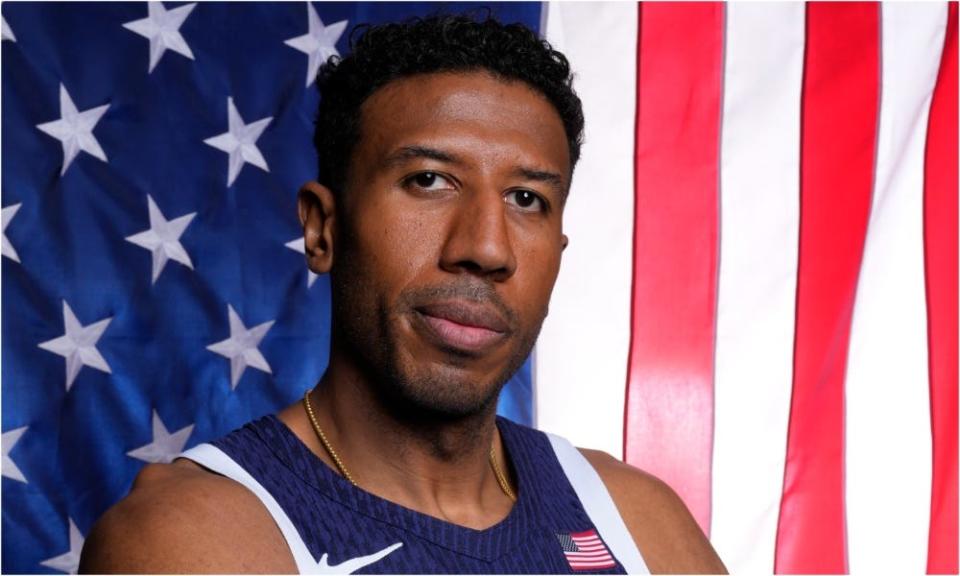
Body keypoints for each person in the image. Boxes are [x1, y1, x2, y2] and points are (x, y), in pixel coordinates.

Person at [79, 14, 726, 575]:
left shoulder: (635, 522)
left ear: (558, 253)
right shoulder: (193, 538)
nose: (486, 247)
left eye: (527, 199)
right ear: (322, 228)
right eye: (429, 181)